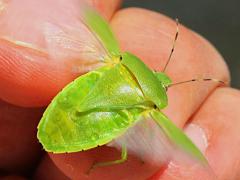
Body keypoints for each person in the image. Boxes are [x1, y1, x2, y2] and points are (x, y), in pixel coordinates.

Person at [0, 0, 239, 179]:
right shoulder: (150, 116)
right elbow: (137, 153)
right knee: (126, 157)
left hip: (63, 109)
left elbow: (81, 17)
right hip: (60, 131)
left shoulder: (112, 59)